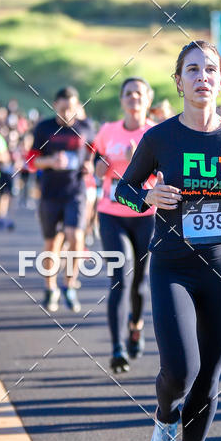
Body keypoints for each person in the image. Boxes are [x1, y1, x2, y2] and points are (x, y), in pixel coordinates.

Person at [115, 40, 221, 441]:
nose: (203, 77)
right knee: (181, 369)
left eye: (211, 70)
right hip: (173, 267)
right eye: (193, 69)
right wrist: (147, 200)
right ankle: (164, 418)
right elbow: (123, 190)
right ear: (179, 81)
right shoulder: (160, 137)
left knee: (210, 376)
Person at [93, 78, 156, 373]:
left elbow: (165, 176)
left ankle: (136, 325)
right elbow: (95, 166)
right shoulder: (108, 131)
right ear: (122, 100)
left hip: (146, 215)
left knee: (140, 283)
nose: (133, 98)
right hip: (112, 213)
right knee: (120, 277)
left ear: (147, 99)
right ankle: (117, 347)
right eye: (128, 93)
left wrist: (137, 163)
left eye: (139, 94)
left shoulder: (155, 133)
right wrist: (102, 167)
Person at [29, 87, 95, 314]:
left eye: (72, 108)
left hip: (75, 191)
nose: (68, 112)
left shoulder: (85, 127)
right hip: (49, 192)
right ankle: (50, 288)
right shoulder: (44, 128)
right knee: (52, 244)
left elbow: (93, 152)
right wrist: (50, 162)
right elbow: (31, 162)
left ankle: (69, 285)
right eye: (64, 107)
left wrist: (89, 165)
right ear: (55, 105)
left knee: (76, 236)